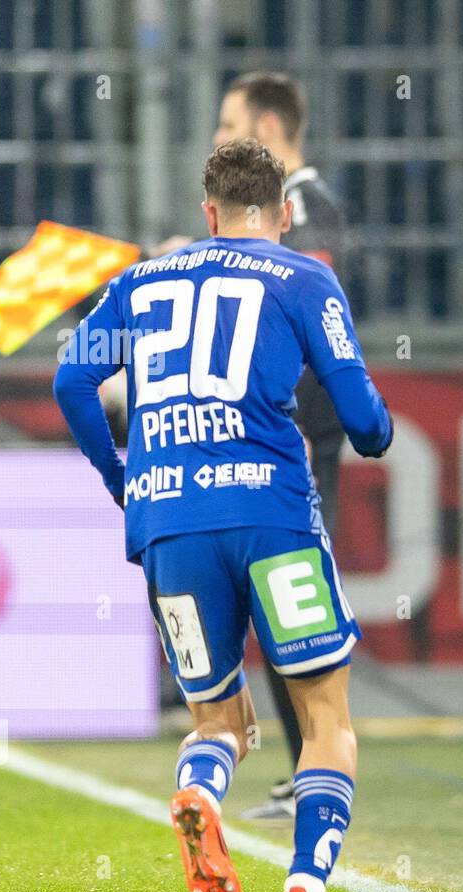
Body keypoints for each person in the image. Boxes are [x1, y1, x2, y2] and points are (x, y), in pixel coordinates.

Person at [54, 139, 393, 892]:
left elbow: (72, 377)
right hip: (272, 516)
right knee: (324, 715)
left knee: (219, 720)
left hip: (169, 523)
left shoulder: (139, 281)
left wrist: (122, 475)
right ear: (280, 215)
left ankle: (200, 791)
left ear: (207, 215)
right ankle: (307, 884)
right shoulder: (305, 275)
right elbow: (364, 417)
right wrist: (372, 433)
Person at [164, 71, 348, 821]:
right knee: (281, 603)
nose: (216, 137)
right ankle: (305, 770)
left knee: (292, 604)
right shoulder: (291, 211)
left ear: (267, 128)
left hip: (296, 438)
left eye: (226, 123)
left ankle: (310, 770)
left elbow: (301, 295)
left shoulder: (306, 210)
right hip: (277, 441)